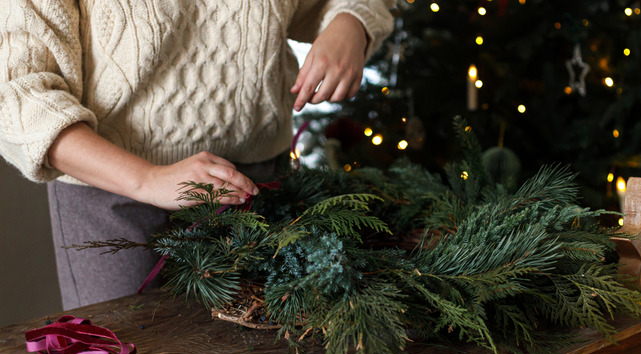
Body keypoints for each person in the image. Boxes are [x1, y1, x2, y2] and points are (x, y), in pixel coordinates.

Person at [0, 1, 394, 309]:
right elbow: (17, 95)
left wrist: (350, 22)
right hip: (114, 196)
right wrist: (148, 178)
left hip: (260, 182)